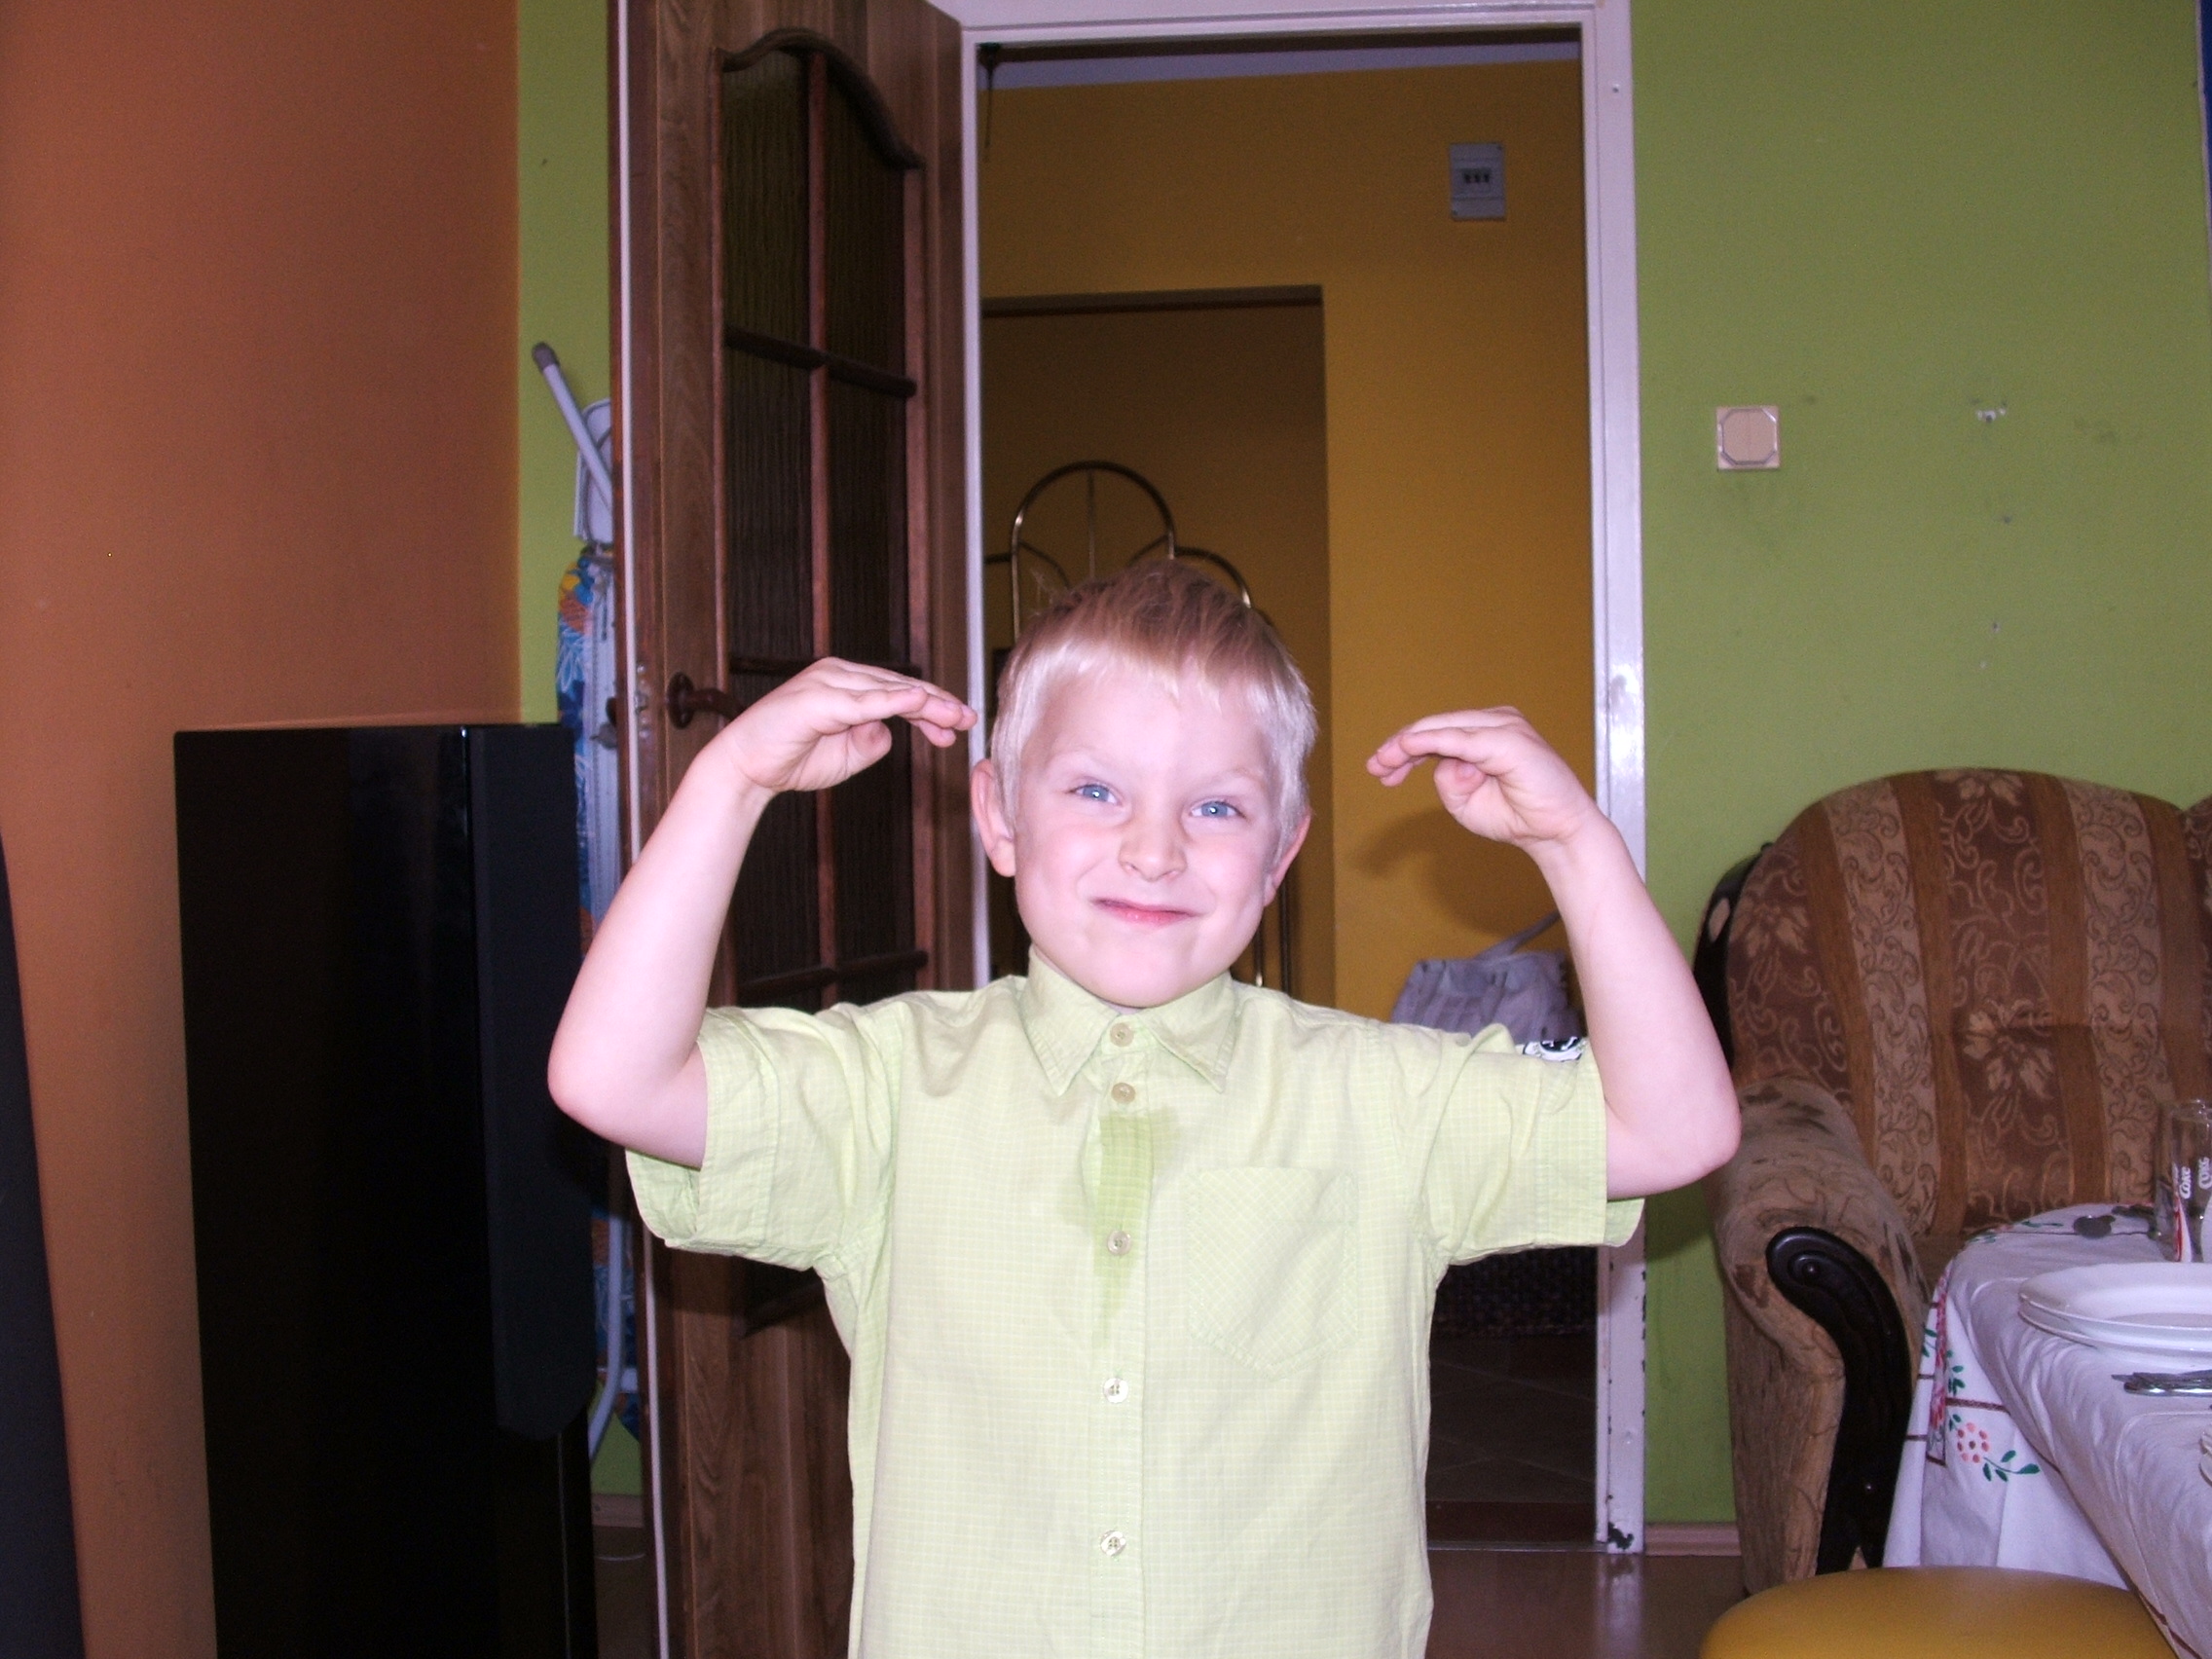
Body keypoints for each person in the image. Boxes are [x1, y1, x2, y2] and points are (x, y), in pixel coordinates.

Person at [549, 559, 1738, 1658]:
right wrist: (730, 782)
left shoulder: (1382, 1097)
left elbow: (1673, 1130)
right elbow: (613, 1078)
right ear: (998, 818)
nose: (1154, 850)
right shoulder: (888, 1089)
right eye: (1095, 790)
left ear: (1280, 855)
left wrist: (1577, 846)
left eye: (1216, 809)